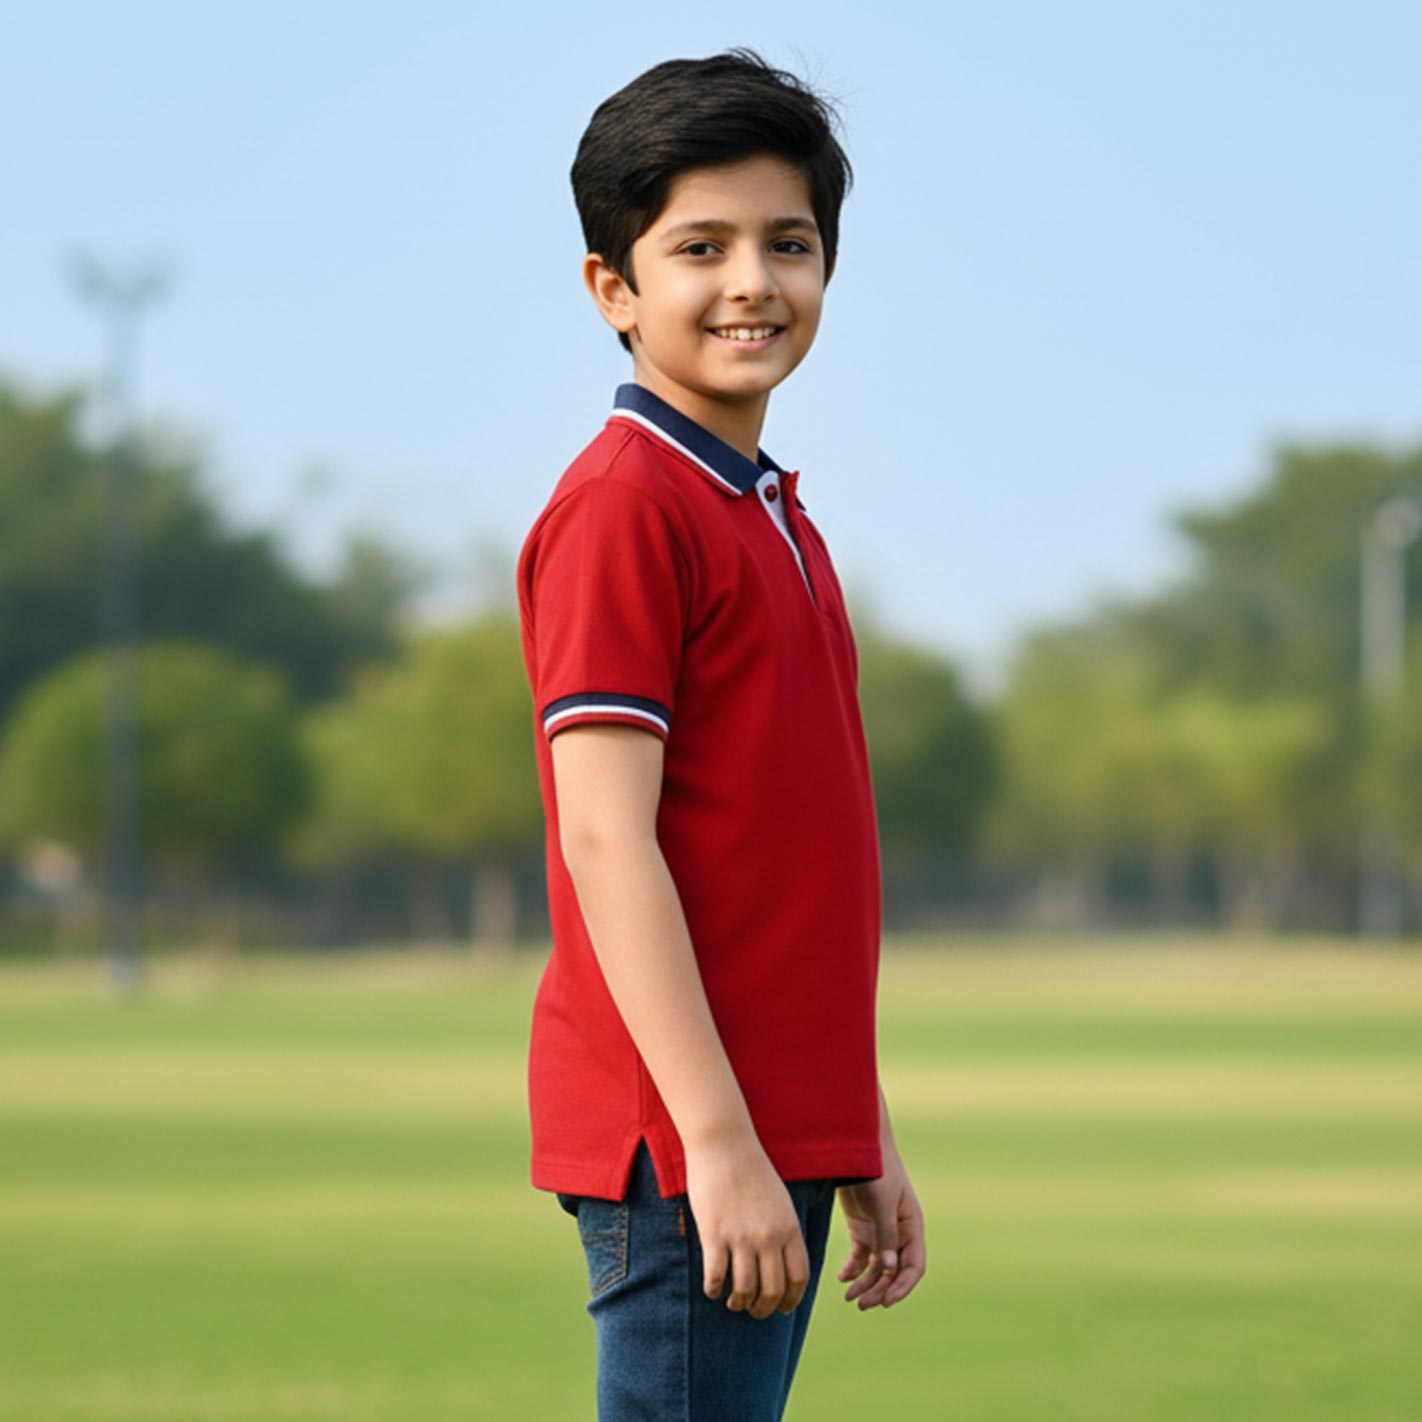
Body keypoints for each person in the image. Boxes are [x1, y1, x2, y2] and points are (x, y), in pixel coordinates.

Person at [515, 45, 926, 1420]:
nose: (752, 280)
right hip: (681, 1139)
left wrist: (847, 1125)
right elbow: (601, 836)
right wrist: (713, 1139)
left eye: (788, 241)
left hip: (764, 1124)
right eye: (700, 245)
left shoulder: (761, 505)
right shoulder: (628, 506)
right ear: (613, 289)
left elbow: (785, 860)